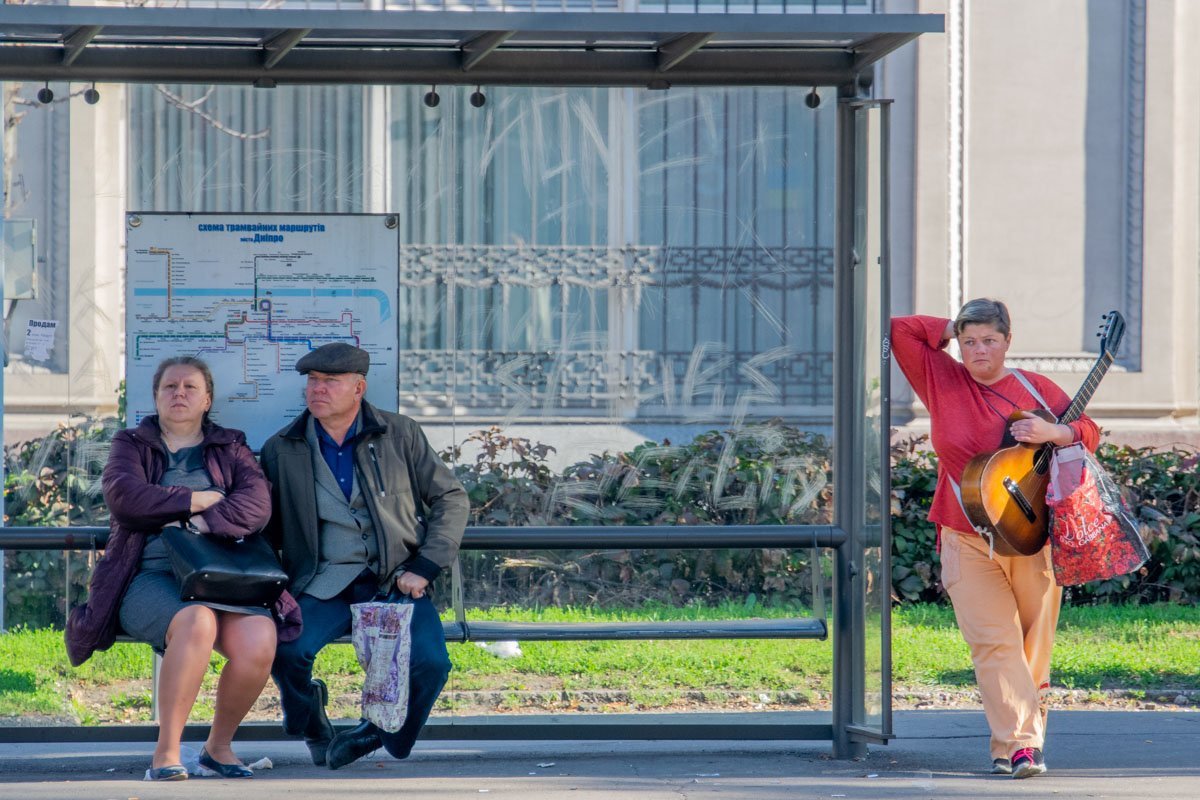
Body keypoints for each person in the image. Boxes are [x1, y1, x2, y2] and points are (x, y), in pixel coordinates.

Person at [890, 299, 1100, 780]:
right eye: (969, 341)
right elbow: (900, 329)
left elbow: (1090, 430)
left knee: (1032, 646)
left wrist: (1057, 430)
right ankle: (1024, 746)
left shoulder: (1033, 386)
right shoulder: (941, 378)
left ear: (1008, 341)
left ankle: (1013, 745)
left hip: (1032, 537)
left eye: (989, 340)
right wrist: (950, 325)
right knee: (994, 643)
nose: (979, 350)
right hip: (965, 534)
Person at [66, 356, 300, 781]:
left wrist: (198, 520)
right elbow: (126, 498)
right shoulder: (131, 445)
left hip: (225, 577)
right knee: (196, 621)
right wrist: (196, 499)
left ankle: (219, 747)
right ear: (155, 398)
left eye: (190, 387)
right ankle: (166, 754)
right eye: (169, 387)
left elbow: (257, 506)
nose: (179, 394)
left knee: (260, 638)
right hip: (151, 578)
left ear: (207, 399)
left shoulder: (231, 446)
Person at [261, 342, 469, 770]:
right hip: (323, 580)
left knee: (432, 663)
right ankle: (312, 723)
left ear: (358, 388)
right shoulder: (283, 448)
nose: (317, 390)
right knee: (284, 652)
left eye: (330, 382)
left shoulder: (400, 434)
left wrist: (425, 566)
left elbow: (451, 497)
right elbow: (268, 525)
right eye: (312, 381)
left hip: (395, 579)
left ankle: (378, 731)